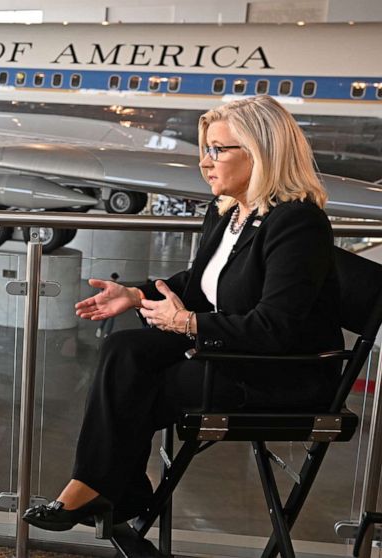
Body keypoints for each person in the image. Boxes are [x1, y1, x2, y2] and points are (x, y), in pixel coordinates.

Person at [23, 95, 342, 534]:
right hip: (232, 349)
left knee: (143, 382)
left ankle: (110, 487)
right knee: (125, 349)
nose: (205, 163)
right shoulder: (228, 211)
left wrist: (186, 324)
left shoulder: (298, 224)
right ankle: (102, 485)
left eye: (218, 150)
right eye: (204, 150)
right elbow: (199, 283)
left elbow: (275, 329)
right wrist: (136, 295)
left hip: (279, 371)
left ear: (263, 153)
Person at [94, 272, 120, 339]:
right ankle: (107, 334)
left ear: (111, 276)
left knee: (105, 318)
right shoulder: (116, 285)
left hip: (106, 304)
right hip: (113, 305)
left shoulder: (105, 283)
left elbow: (100, 293)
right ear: (116, 278)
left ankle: (100, 328)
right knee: (111, 320)